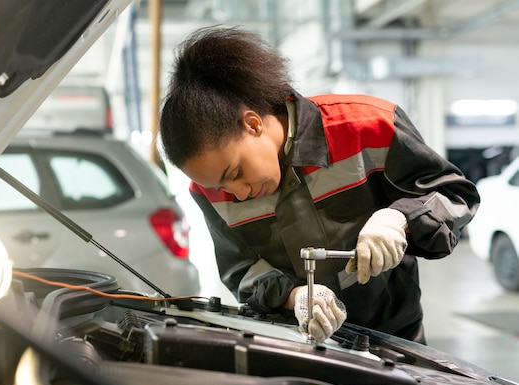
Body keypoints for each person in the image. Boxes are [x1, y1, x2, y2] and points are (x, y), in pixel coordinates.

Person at [159, 26, 480, 344]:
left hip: (394, 338)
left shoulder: (368, 127)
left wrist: (400, 219)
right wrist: (296, 297)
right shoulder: (209, 190)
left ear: (253, 123)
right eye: (222, 185)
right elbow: (241, 270)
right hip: (296, 343)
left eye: (236, 172)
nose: (237, 193)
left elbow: (455, 194)